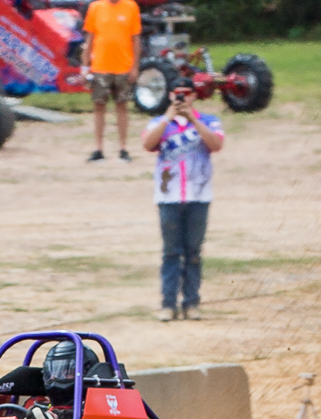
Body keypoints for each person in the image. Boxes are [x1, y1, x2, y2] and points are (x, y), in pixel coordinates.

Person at [142, 87, 223, 321]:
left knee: (194, 252)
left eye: (186, 93)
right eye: (177, 93)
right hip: (168, 196)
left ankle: (191, 303)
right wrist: (169, 117)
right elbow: (148, 144)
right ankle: (168, 303)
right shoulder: (159, 122)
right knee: (171, 252)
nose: (182, 98)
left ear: (194, 96)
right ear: (169, 96)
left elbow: (216, 145)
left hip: (199, 195)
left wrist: (193, 120)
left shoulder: (209, 121)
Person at [81, 0, 141, 163]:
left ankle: (123, 148)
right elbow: (90, 38)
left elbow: (135, 39)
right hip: (100, 66)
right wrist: (85, 65)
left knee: (122, 106)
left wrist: (135, 66)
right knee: (99, 106)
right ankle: (98, 149)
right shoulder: (96, 7)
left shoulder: (131, 7)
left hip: (123, 66)